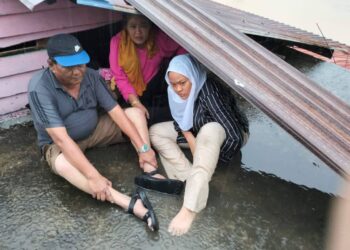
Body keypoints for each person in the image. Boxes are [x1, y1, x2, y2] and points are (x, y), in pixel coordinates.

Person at [28, 33, 160, 231]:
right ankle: (129, 203)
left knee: (134, 113)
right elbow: (61, 139)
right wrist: (93, 176)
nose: (77, 72)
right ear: (51, 64)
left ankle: (149, 169)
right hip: (61, 144)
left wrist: (143, 148)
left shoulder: (90, 75)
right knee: (62, 165)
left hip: (95, 130)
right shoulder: (39, 88)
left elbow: (115, 112)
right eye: (69, 67)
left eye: (80, 64)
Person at [149, 54, 250, 236]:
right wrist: (188, 136)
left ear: (192, 77)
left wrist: (213, 162)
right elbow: (182, 123)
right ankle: (190, 177)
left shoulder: (208, 91)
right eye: (173, 84)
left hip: (225, 133)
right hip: (196, 132)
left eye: (183, 83)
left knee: (210, 129)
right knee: (156, 132)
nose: (178, 89)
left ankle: (190, 208)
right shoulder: (174, 92)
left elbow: (234, 136)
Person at [109, 13, 186, 193]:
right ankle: (149, 168)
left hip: (152, 92)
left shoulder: (158, 40)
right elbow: (119, 76)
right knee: (138, 117)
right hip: (129, 95)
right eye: (133, 26)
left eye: (143, 26)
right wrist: (135, 102)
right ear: (125, 27)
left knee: (155, 120)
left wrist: (177, 68)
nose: (138, 32)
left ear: (151, 26)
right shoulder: (117, 42)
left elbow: (184, 45)